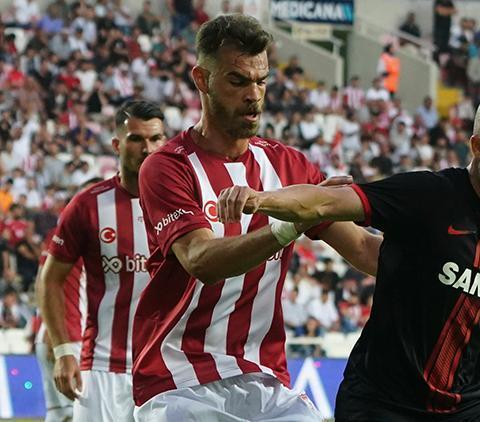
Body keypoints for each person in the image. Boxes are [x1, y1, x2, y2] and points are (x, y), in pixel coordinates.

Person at [218, 89, 480, 421]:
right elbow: (326, 202)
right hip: (382, 401)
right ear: (478, 146)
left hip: (462, 404)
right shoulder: (428, 196)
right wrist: (259, 199)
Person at [131, 15, 381, 421]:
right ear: (202, 79)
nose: (253, 95)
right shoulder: (166, 167)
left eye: (261, 81)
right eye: (237, 81)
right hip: (178, 384)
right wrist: (290, 223)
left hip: (264, 380)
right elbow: (202, 261)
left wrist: (448, 263)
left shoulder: (290, 165)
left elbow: (367, 249)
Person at [38, 101, 166, 421]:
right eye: (137, 139)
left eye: (155, 139)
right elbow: (50, 280)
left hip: (165, 369)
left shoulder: (184, 203)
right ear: (116, 144)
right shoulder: (88, 205)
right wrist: (64, 351)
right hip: (101, 370)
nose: (147, 148)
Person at [33, 177, 101, 422]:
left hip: (52, 334)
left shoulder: (57, 234)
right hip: (67, 335)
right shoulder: (85, 236)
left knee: (59, 413)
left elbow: (41, 283)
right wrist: (55, 336)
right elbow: (47, 284)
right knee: (75, 414)